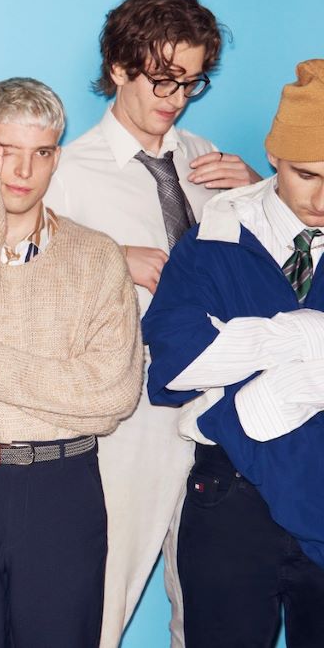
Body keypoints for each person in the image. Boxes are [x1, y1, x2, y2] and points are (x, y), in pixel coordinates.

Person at [43, 0, 262, 646]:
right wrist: (112, 256)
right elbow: (23, 278)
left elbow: (267, 279)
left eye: (190, 82)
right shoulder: (66, 172)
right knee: (103, 601)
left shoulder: (207, 158)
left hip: (220, 414)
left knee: (209, 611)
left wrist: (260, 195)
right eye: (163, 78)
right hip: (130, 418)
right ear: (119, 67)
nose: (176, 98)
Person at [0, 77, 143, 647]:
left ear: (57, 156)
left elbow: (112, 394)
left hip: (63, 486)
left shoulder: (98, 255)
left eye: (43, 153)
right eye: (6, 150)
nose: (24, 171)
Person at [143, 58, 324, 647]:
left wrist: (249, 390)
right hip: (230, 498)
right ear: (273, 156)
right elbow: (179, 363)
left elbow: (212, 360)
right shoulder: (212, 241)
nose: (322, 199)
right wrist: (304, 334)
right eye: (306, 174)